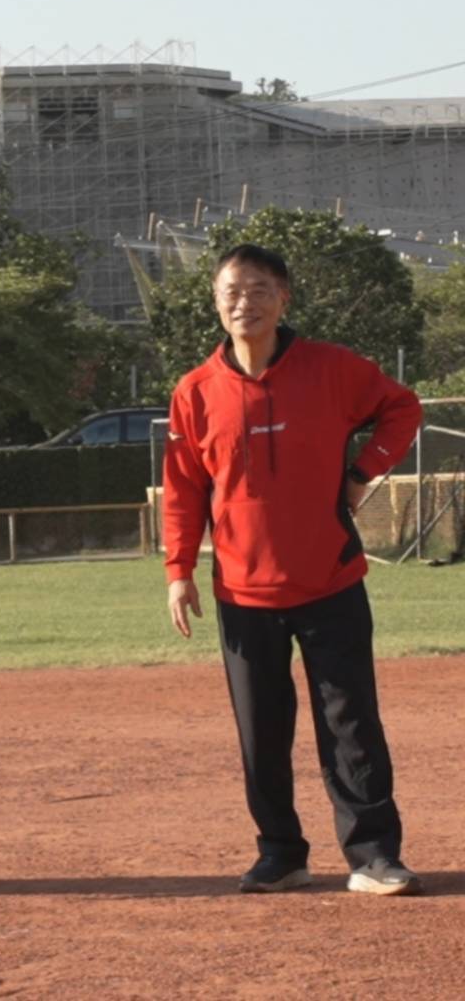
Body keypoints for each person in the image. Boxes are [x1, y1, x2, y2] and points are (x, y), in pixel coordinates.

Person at [162, 243, 424, 897]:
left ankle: (373, 857)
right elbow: (184, 487)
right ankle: (280, 854)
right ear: (215, 303)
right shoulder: (194, 392)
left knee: (352, 725)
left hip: (330, 579)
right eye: (230, 291)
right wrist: (178, 570)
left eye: (257, 290)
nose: (243, 302)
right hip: (242, 592)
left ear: (284, 298)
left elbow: (403, 408)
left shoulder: (333, 369)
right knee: (262, 733)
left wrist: (363, 474)